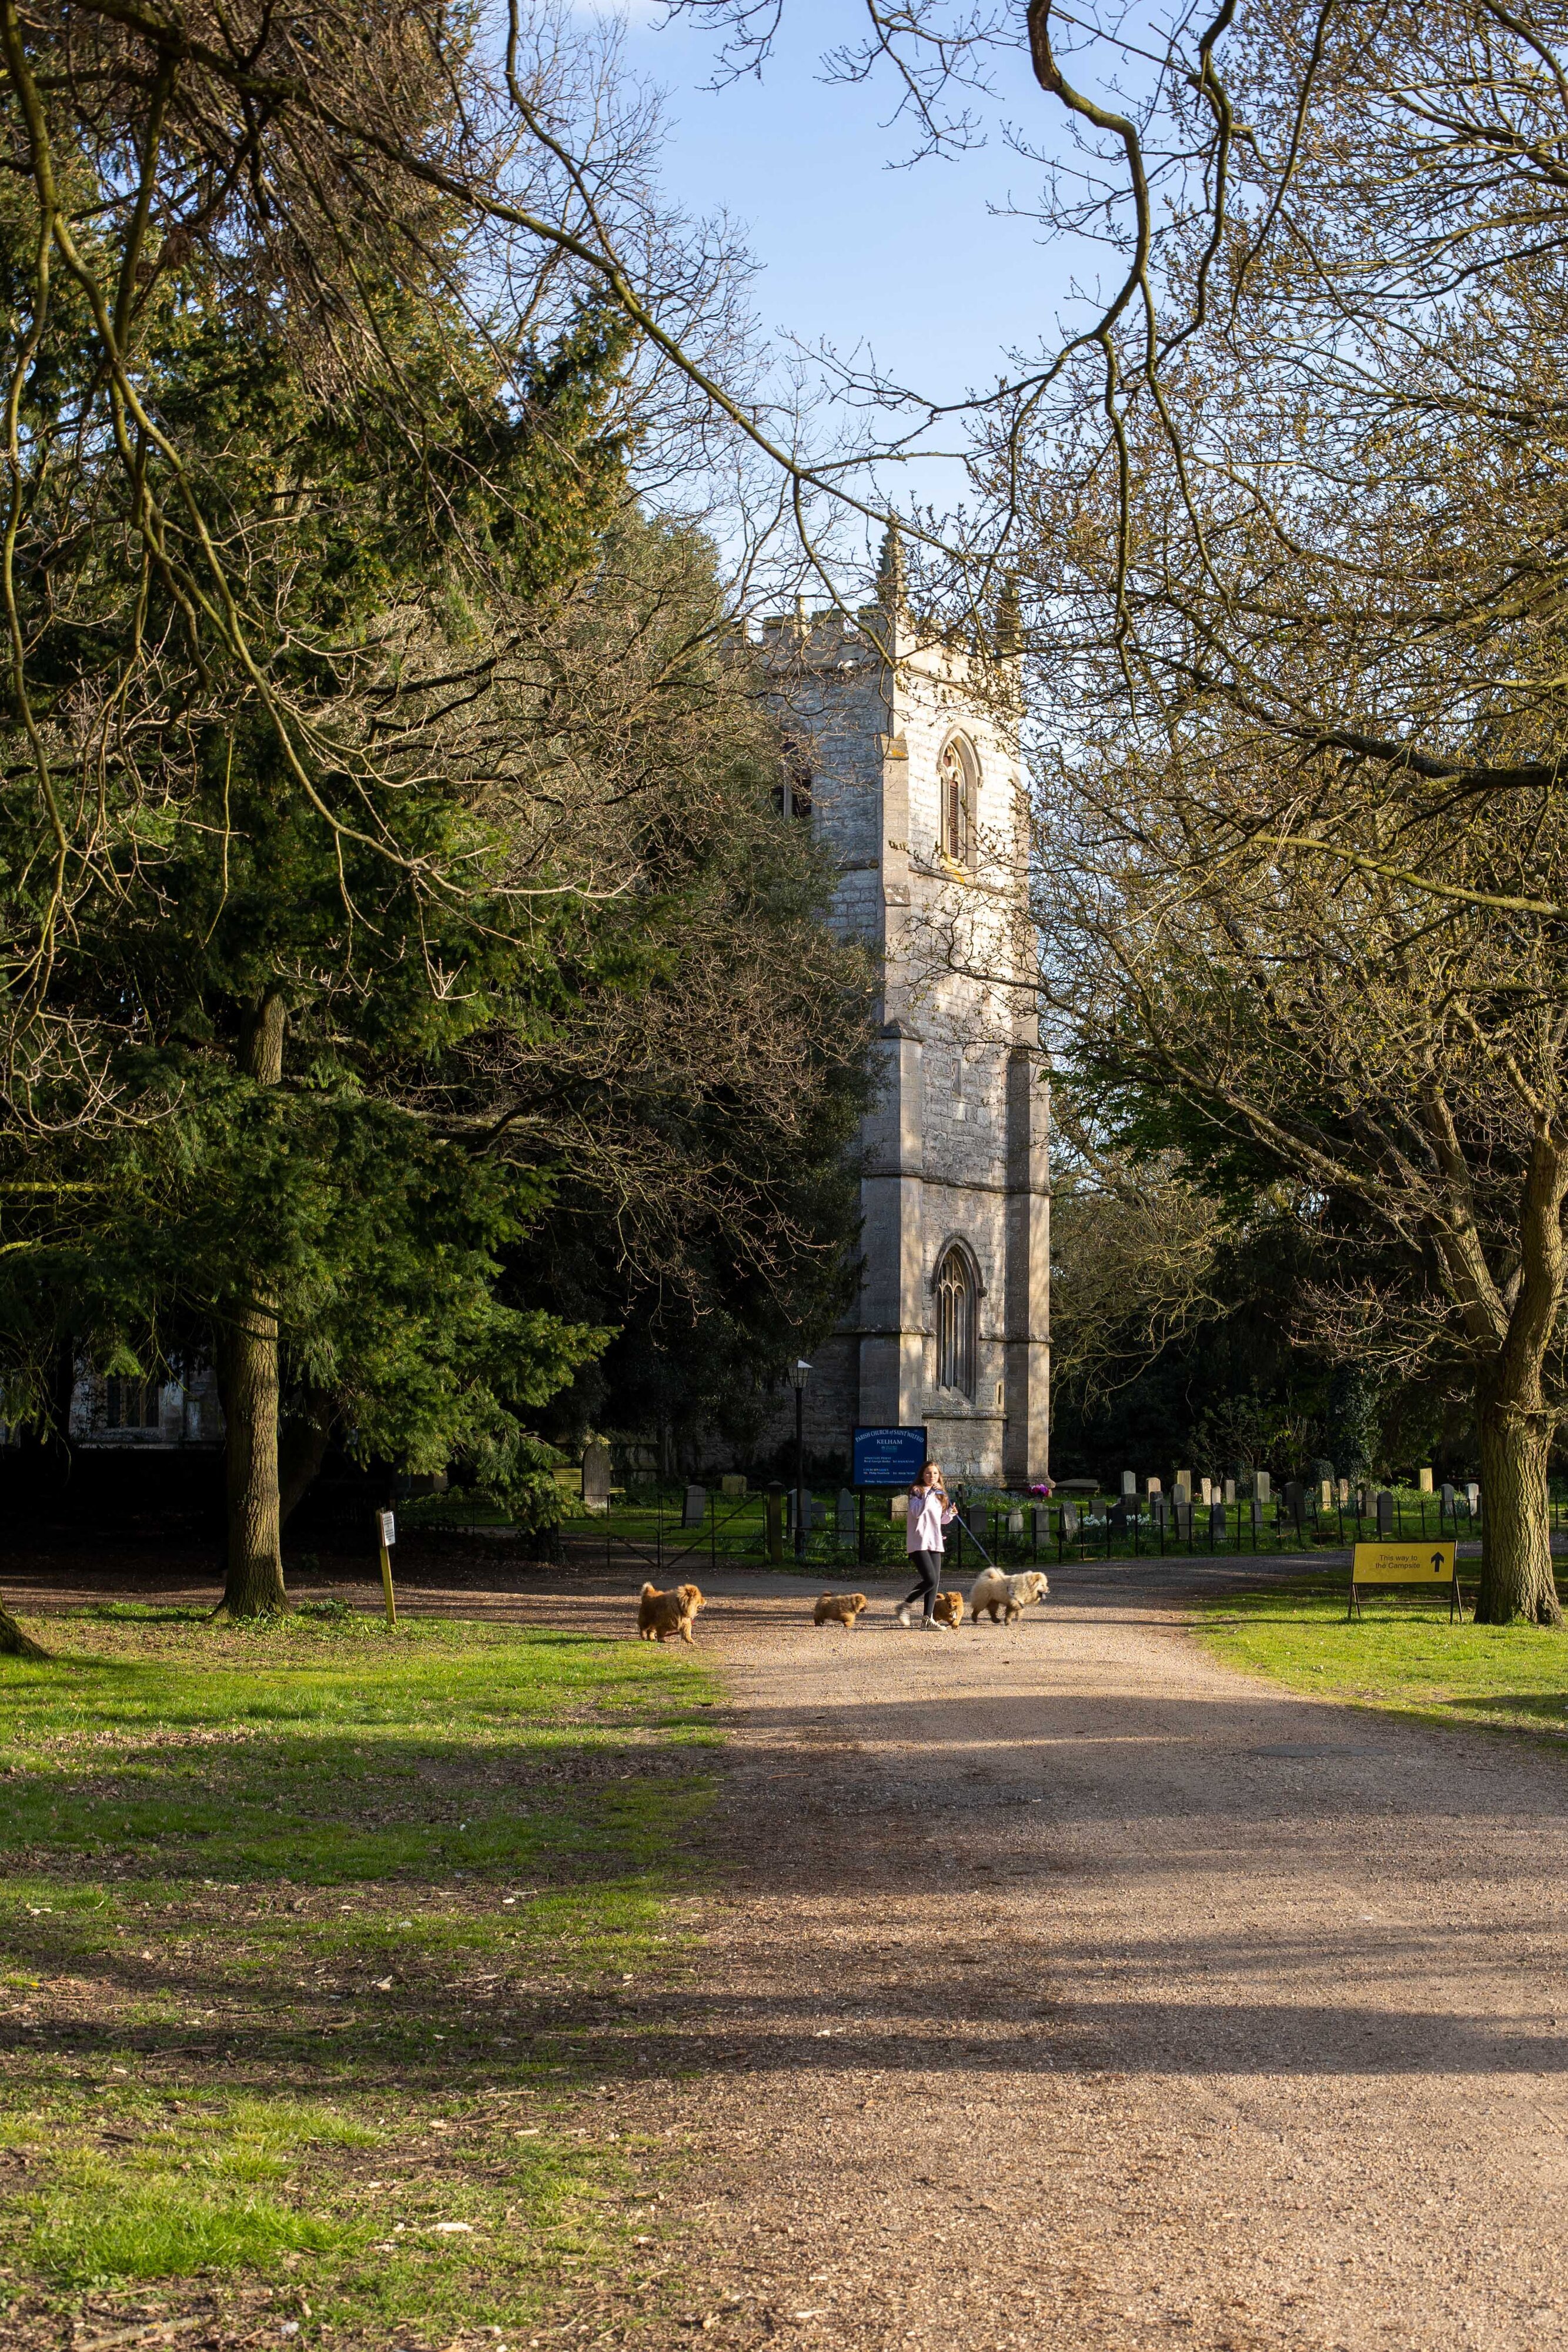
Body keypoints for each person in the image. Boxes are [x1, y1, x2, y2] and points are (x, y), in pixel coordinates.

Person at [899, 1461, 956, 1627]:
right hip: (919, 1541)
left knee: (935, 1581)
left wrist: (950, 1514)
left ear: (939, 1476)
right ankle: (906, 1605)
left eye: (935, 1474)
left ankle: (927, 1620)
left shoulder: (940, 1494)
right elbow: (917, 1513)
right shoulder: (916, 1492)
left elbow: (940, 1520)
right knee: (930, 1579)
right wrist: (929, 1494)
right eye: (928, 1473)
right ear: (922, 1475)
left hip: (935, 1540)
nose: (932, 1477)